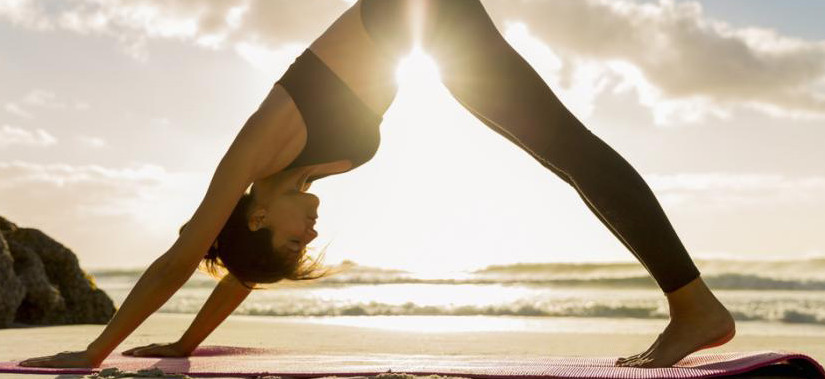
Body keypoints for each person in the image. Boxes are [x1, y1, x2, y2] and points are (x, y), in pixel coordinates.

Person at [20, 0, 734, 369]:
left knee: (569, 149)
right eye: (307, 240)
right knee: (564, 152)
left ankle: (693, 307)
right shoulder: (289, 181)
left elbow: (186, 251)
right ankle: (690, 304)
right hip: (428, 35)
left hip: (415, 16)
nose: (313, 231)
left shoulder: (256, 148)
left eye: (294, 237)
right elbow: (241, 274)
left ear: (254, 212)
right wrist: (183, 343)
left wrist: (98, 349)